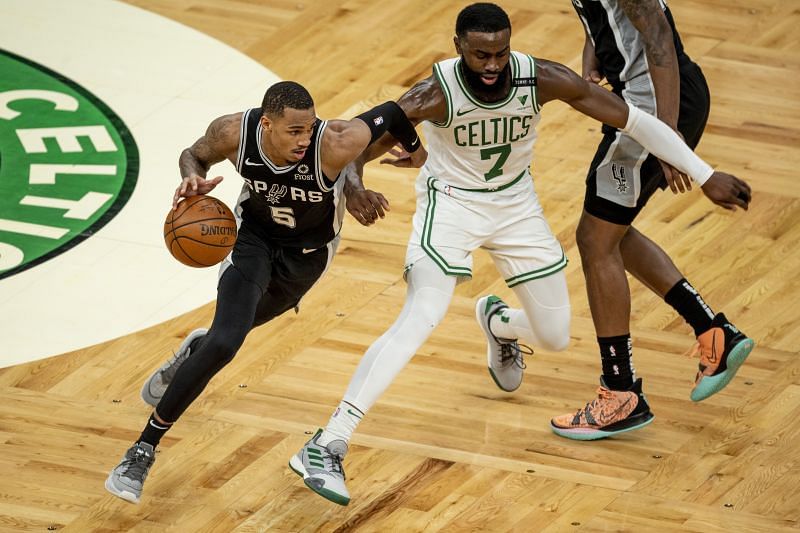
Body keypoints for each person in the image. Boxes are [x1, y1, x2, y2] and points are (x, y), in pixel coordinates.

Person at [289, 2, 751, 506]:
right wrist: (355, 186)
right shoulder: (434, 92)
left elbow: (635, 121)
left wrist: (705, 174)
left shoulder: (542, 79)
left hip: (516, 210)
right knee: (422, 314)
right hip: (452, 207)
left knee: (554, 336)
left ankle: (500, 324)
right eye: (480, 55)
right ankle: (328, 442)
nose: (491, 66)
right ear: (458, 48)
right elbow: (357, 143)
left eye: (500, 53)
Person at [104, 80, 426, 504]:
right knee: (225, 343)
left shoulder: (333, 139)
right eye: (294, 131)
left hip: (307, 256)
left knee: (230, 332)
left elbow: (395, 111)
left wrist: (397, 163)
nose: (304, 138)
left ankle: (193, 353)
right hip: (251, 240)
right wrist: (192, 181)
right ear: (268, 123)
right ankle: (141, 451)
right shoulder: (234, 132)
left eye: (309, 128)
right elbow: (194, 155)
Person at [548, 0, 755, 441]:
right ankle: (714, 332)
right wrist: (595, 49)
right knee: (608, 233)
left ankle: (620, 392)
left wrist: (669, 135)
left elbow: (657, 34)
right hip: (640, 103)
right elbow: (605, 13)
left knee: (595, 241)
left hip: (654, 109)